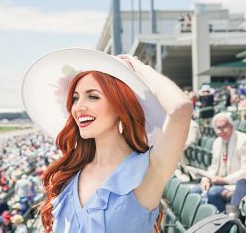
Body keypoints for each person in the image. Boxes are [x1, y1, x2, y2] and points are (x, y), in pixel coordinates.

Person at [21, 48, 192, 233]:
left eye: (93, 96)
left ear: (121, 106)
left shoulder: (146, 170)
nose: (78, 107)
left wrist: (137, 66)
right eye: (75, 98)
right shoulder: (69, 176)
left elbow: (180, 109)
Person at [190, 112, 246, 212]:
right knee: (193, 191)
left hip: (234, 183)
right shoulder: (217, 142)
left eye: (224, 127)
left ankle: (222, 220)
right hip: (218, 181)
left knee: (213, 192)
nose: (221, 131)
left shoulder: (244, 140)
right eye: (218, 128)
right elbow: (214, 167)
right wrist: (206, 178)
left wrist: (224, 180)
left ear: (231, 126)